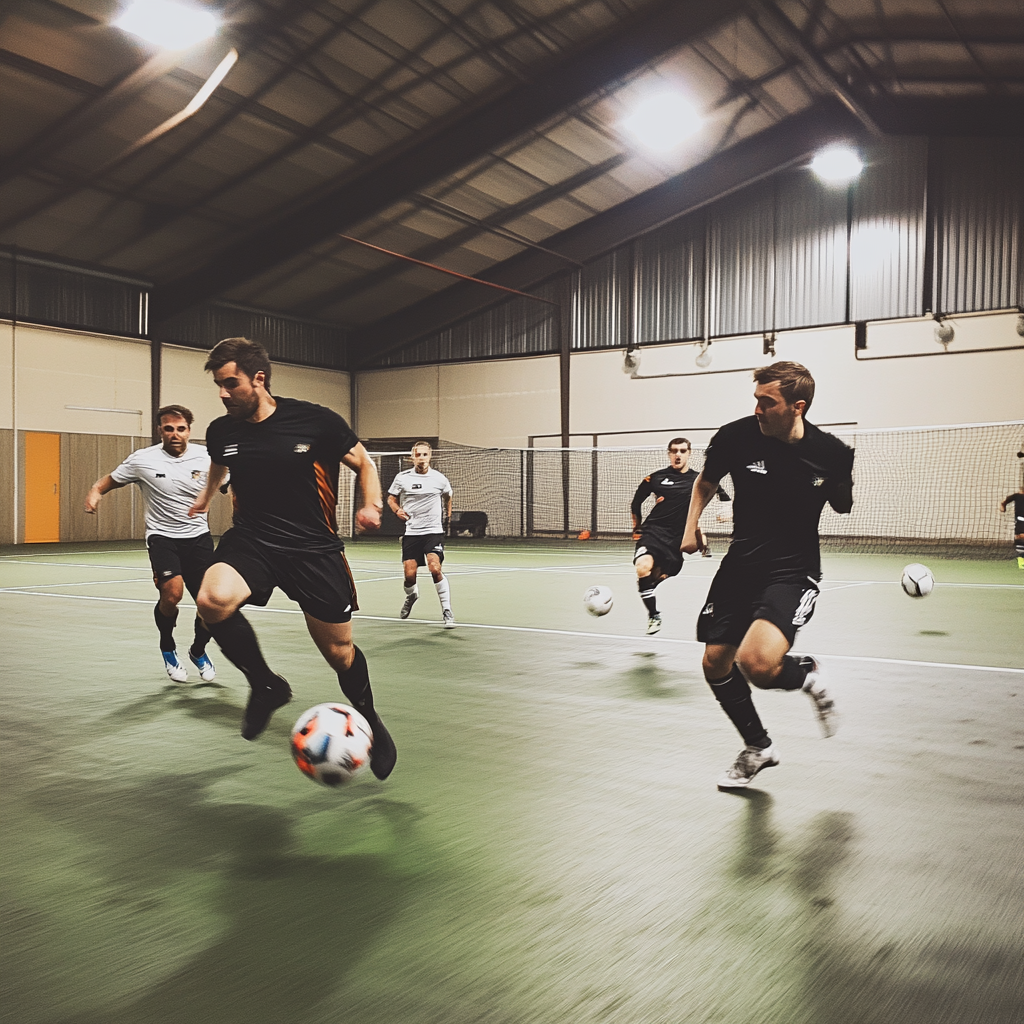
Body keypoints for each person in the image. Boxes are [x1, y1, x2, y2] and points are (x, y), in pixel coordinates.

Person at [187, 337, 397, 780]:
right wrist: (207, 497)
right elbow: (220, 464)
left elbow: (364, 463)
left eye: (231, 384)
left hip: (312, 549)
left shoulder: (314, 420)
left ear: (258, 379)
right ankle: (265, 684)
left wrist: (371, 504)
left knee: (340, 654)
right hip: (253, 540)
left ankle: (370, 721)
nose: (223, 394)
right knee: (211, 601)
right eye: (219, 386)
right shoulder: (223, 430)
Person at [681, 361, 854, 789]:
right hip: (741, 564)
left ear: (797, 407)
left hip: (793, 570)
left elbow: (843, 505)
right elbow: (705, 482)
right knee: (715, 662)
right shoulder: (734, 436)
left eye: (766, 401)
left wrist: (830, 480)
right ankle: (759, 747)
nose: (757, 408)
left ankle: (807, 672)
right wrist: (691, 526)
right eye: (755, 399)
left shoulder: (832, 453)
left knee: (756, 664)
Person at [85, 405, 217, 683]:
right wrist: (95, 493)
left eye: (181, 429)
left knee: (210, 605)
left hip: (199, 538)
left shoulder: (207, 457)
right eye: (168, 429)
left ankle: (198, 651)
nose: (175, 434)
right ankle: (167, 647)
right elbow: (107, 481)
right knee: (172, 595)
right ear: (160, 431)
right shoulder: (142, 460)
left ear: (189, 431)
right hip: (163, 537)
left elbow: (232, 484)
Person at [630, 437, 718, 635]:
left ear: (689, 453)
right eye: (674, 451)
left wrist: (700, 532)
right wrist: (637, 527)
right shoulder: (656, 478)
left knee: (655, 578)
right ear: (669, 453)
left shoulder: (699, 480)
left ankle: (648, 588)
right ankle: (654, 615)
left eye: (682, 451)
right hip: (653, 532)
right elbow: (636, 501)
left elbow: (719, 496)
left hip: (676, 539)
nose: (678, 454)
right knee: (642, 567)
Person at [387, 442, 456, 628]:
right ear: (412, 457)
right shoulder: (402, 478)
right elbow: (391, 498)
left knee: (435, 568)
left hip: (433, 532)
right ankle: (412, 595)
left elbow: (448, 496)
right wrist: (396, 510)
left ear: (430, 456)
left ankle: (447, 612)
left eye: (425, 454)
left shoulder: (439, 479)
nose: (421, 458)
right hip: (412, 533)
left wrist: (447, 515)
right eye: (418, 455)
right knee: (409, 576)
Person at [999, 486, 1024, 569]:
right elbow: (1003, 503)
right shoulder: (1016, 496)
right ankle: (1021, 561)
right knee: (1019, 537)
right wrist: (1003, 507)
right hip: (1020, 521)